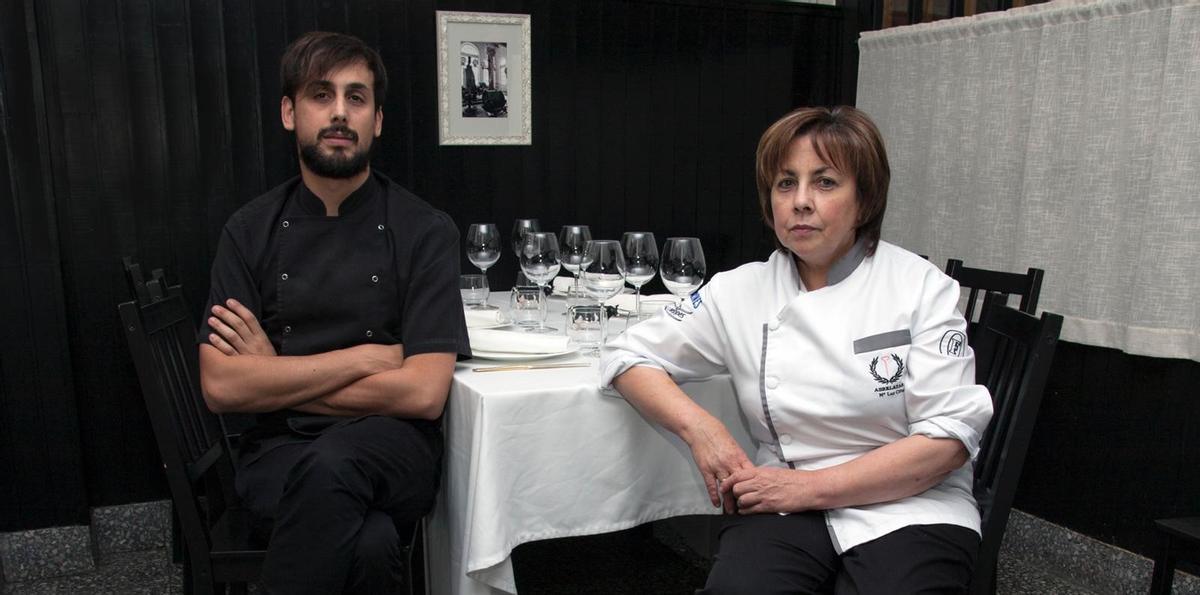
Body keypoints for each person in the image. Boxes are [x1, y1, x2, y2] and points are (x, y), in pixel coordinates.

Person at [601, 106, 993, 593]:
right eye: (786, 183)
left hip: (911, 504)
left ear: (865, 198)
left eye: (825, 183)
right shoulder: (739, 290)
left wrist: (806, 488)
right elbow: (627, 355)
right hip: (782, 497)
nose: (801, 202)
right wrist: (702, 429)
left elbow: (947, 442)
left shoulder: (921, 288)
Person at [197, 31, 470, 594]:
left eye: (357, 97)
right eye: (321, 95)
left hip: (395, 447)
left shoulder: (424, 230)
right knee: (368, 541)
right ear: (289, 113)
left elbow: (422, 394)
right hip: (277, 451)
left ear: (378, 121)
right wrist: (367, 358)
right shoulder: (249, 231)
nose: (340, 112)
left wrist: (274, 374)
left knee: (332, 464)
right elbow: (222, 387)